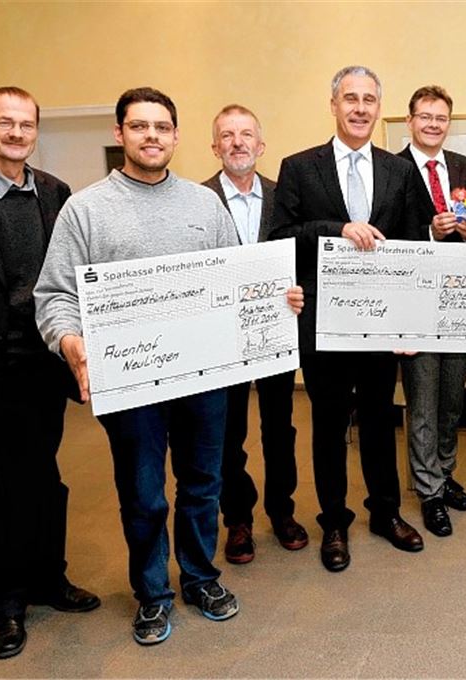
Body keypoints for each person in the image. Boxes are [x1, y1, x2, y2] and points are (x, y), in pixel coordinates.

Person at [35, 87, 304, 645]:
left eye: (162, 127)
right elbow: (55, 294)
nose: (151, 136)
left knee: (203, 485)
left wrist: (278, 300)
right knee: (144, 494)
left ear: (177, 138)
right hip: (129, 382)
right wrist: (68, 340)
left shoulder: (205, 207)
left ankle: (201, 577)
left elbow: (239, 278)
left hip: (204, 381)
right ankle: (153, 594)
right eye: (140, 126)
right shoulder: (84, 209)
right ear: (121, 134)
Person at [270, 65, 426, 572]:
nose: (360, 108)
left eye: (369, 100)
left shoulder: (399, 170)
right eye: (350, 98)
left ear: (379, 107)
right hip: (323, 321)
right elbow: (281, 236)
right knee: (329, 422)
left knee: (382, 420)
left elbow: (409, 248)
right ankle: (333, 522)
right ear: (333, 105)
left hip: (381, 322)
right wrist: (337, 228)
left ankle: (385, 513)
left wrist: (407, 323)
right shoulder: (299, 167)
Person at [0, 86, 100, 660]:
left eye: (26, 125)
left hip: (42, 362)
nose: (17, 133)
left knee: (45, 478)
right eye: (6, 123)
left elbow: (72, 274)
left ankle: (49, 579)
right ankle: (6, 604)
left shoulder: (55, 193)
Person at [203, 104, 307, 564]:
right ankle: (238, 519)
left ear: (261, 147)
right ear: (215, 146)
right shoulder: (198, 199)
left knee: (279, 428)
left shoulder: (286, 195)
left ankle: (282, 511)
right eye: (227, 135)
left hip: (277, 330)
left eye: (246, 134)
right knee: (228, 432)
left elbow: (303, 252)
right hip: (221, 336)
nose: (237, 142)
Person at [396, 85, 466, 537]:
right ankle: (428, 489)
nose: (433, 124)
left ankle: (445, 470)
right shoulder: (392, 169)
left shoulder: (465, 167)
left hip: (459, 300)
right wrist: (429, 233)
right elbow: (390, 237)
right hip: (415, 302)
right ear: (411, 120)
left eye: (441, 117)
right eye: (425, 116)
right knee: (423, 400)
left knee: (453, 397)